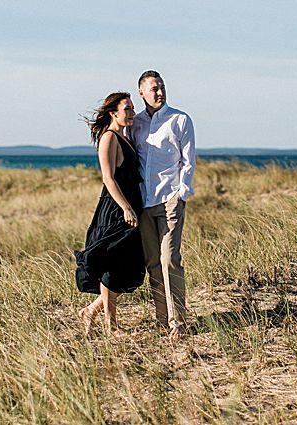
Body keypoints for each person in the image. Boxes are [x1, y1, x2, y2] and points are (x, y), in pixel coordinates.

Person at [73, 92, 145, 335]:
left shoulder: (126, 138)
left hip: (131, 207)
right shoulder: (109, 138)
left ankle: (89, 312)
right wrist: (125, 207)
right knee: (113, 263)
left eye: (133, 108)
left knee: (126, 264)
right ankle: (110, 325)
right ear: (114, 112)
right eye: (127, 108)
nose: (132, 113)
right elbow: (108, 178)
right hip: (116, 210)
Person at [132, 70, 195, 339]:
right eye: (154, 88)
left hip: (170, 198)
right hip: (144, 202)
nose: (160, 92)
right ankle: (162, 320)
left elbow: (188, 160)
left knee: (170, 259)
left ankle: (178, 322)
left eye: (162, 87)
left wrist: (182, 193)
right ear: (142, 93)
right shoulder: (134, 124)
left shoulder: (180, 119)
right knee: (153, 263)